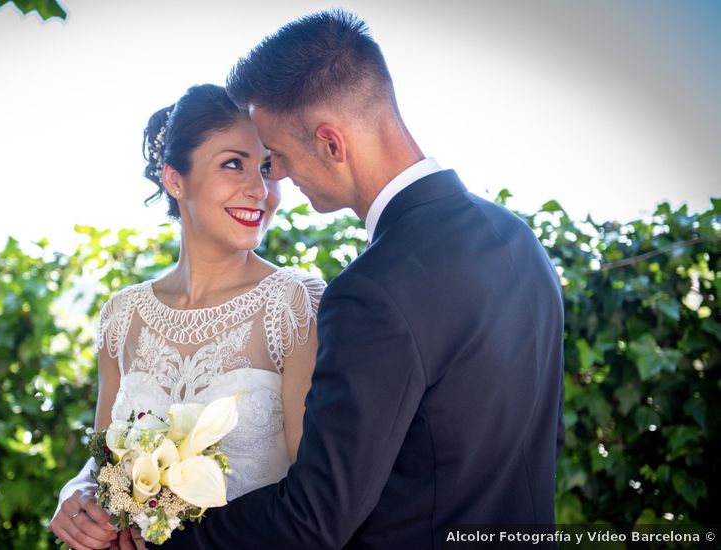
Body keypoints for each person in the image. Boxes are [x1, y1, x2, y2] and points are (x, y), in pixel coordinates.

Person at [139, 10, 565, 550]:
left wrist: (162, 540)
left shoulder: (373, 292)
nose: (279, 178)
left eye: (280, 156)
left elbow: (315, 518)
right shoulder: (518, 240)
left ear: (331, 143)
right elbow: (544, 439)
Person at [49, 83, 325, 550]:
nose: (259, 190)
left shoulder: (294, 305)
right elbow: (103, 466)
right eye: (232, 163)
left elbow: (316, 499)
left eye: (267, 167)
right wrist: (76, 491)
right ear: (175, 180)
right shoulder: (123, 316)